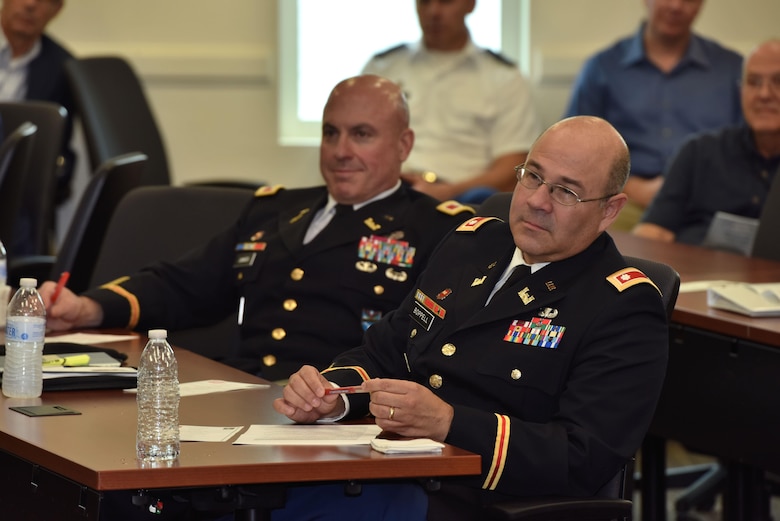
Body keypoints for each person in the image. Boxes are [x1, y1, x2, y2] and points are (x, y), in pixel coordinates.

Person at [273, 116, 669, 520]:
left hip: (478, 499)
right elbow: (385, 351)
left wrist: (449, 422)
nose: (537, 200)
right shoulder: (471, 244)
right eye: (532, 176)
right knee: (245, 494)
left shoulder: (623, 306)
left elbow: (581, 458)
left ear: (609, 211)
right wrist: (329, 395)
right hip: (385, 468)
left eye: (566, 192)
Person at [40, 74, 475, 384]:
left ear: (404, 145)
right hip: (237, 393)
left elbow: (423, 351)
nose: (341, 151)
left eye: (362, 135)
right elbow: (187, 284)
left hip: (338, 415)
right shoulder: (276, 209)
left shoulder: (435, 229)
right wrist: (89, 307)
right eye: (330, 133)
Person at [564, 0, 743, 230]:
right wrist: (632, 188)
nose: (676, 6)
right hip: (625, 203)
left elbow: (749, 153)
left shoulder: (732, 69)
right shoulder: (602, 68)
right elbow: (574, 152)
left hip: (710, 206)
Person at [362, 0, 540, 204]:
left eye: (446, 2)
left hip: (463, 200)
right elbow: (354, 140)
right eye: (424, 2)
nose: (434, 12)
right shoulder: (383, 67)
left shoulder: (504, 77)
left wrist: (449, 192)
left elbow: (512, 165)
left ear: (471, 4)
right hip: (387, 191)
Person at [633, 39, 780, 246]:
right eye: (754, 82)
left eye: (778, 82)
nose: (764, 94)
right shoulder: (698, 152)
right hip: (697, 274)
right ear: (741, 92)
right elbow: (654, 232)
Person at [0, 0, 76, 204]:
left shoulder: (63, 68)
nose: (31, 4)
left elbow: (60, 148)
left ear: (57, 9)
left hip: (17, 189)